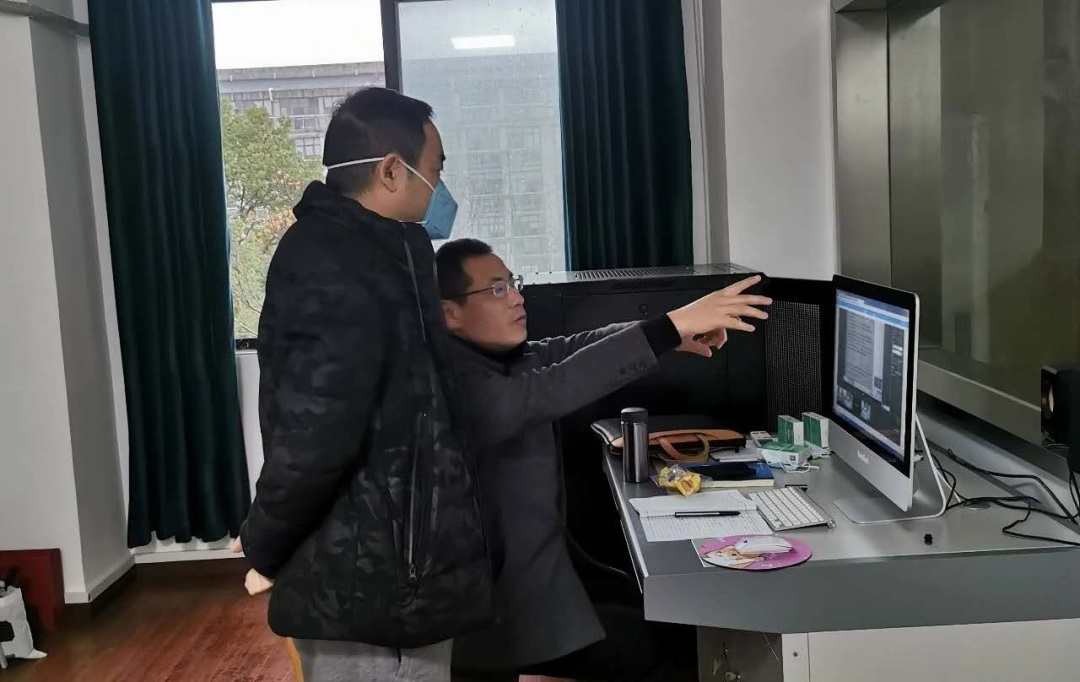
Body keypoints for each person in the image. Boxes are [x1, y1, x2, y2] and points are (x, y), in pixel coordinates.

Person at [235, 88, 493, 682]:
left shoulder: (390, 249)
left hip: (404, 564)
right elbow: (315, 433)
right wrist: (264, 543)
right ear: (391, 170)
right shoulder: (327, 260)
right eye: (435, 171)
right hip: (366, 579)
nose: (440, 188)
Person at [435, 239, 771, 681]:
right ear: (450, 313)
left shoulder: (490, 359)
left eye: (513, 283)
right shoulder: (456, 383)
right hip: (507, 622)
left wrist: (669, 336)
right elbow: (559, 383)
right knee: (669, 645)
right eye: (498, 289)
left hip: (546, 587)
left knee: (670, 617)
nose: (517, 298)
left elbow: (566, 349)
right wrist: (670, 327)